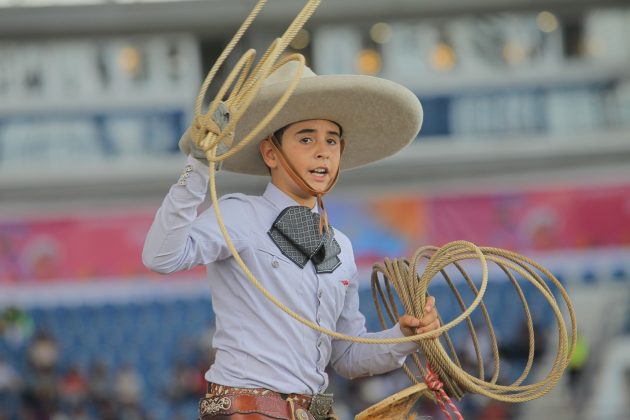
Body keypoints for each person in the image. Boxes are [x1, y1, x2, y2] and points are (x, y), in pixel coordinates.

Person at [143, 61, 440, 420]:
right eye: (306, 138)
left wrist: (403, 336)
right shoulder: (240, 215)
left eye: (332, 140)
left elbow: (346, 356)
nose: (322, 151)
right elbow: (161, 257)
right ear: (271, 153)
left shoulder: (341, 247)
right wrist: (199, 167)